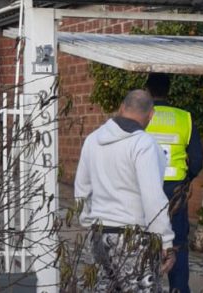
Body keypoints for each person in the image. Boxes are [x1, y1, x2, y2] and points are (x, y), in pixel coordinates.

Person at [75, 90, 175, 292]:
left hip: (99, 235)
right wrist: (166, 241)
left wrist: (87, 221)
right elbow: (153, 197)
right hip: (133, 239)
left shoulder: (92, 140)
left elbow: (82, 188)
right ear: (151, 115)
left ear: (121, 108)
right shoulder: (143, 144)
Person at [145, 73, 203, 293]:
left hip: (146, 189)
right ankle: (178, 288)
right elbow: (197, 159)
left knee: (147, 239)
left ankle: (148, 286)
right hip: (176, 190)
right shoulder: (184, 118)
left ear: (148, 91)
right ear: (168, 90)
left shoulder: (142, 116)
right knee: (177, 243)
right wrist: (186, 179)